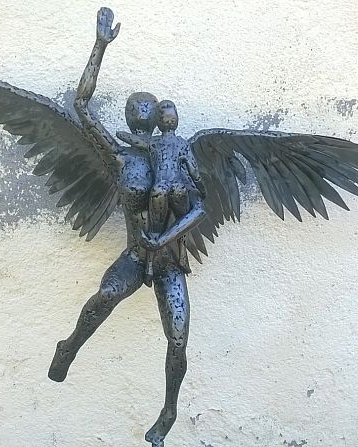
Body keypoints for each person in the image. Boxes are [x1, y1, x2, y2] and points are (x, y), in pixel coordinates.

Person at [47, 8, 206, 447]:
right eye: (135, 109)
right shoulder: (118, 156)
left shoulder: (176, 154)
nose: (139, 113)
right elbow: (81, 106)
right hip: (136, 256)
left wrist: (167, 238)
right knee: (107, 295)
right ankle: (69, 346)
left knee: (178, 338)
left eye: (145, 109)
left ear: (156, 118)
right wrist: (100, 47)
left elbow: (199, 204)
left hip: (169, 261)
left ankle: (169, 412)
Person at [117, 99, 207, 286]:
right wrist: (202, 189)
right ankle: (182, 254)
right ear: (176, 121)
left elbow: (135, 141)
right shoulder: (182, 144)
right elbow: (195, 172)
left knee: (155, 228)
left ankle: (149, 265)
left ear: (158, 123)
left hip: (160, 188)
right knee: (182, 221)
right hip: (178, 187)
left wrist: (122, 135)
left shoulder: (154, 143)